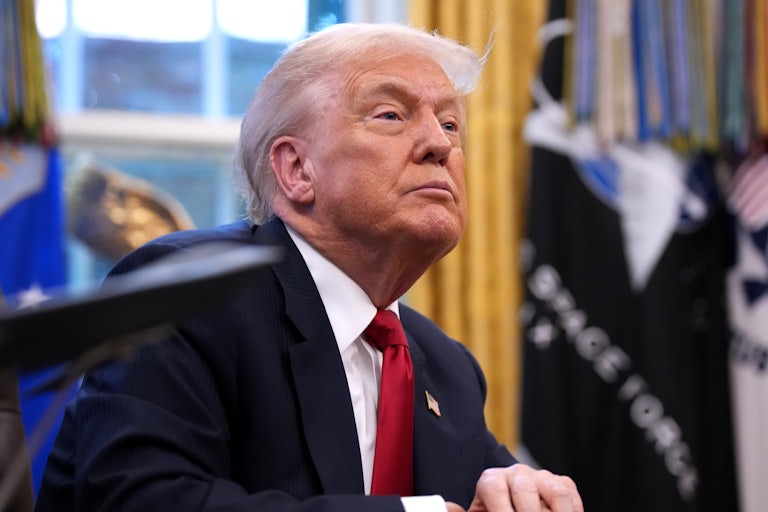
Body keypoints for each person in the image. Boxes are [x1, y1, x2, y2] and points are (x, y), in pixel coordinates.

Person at [34, 23, 583, 512]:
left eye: (451, 125)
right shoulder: (184, 299)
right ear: (296, 170)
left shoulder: (450, 371)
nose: (439, 144)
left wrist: (526, 494)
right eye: (391, 114)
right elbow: (141, 499)